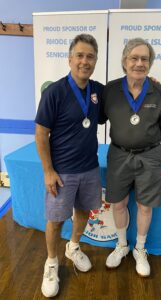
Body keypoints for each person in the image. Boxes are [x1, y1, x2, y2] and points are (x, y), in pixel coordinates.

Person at [35, 34, 104, 298]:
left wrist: (149, 83)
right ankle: (52, 262)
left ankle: (73, 247)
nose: (84, 61)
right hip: (61, 172)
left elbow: (124, 96)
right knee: (55, 220)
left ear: (95, 61)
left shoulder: (98, 91)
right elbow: (41, 134)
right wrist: (48, 171)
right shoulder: (55, 92)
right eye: (80, 55)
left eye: (90, 56)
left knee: (84, 212)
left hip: (89, 168)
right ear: (70, 58)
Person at [101, 38, 161, 277]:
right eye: (134, 58)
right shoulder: (110, 90)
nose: (139, 63)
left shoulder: (160, 91)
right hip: (119, 155)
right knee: (118, 203)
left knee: (145, 206)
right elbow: (92, 115)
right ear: (125, 62)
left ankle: (140, 249)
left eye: (145, 59)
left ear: (150, 63)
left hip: (151, 156)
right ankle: (122, 245)